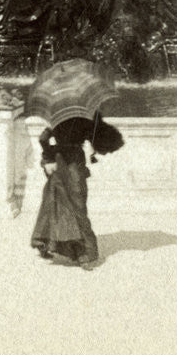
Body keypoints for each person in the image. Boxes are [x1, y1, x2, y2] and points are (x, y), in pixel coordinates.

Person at [30, 113, 123, 269]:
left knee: (55, 203)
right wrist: (93, 144)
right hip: (74, 164)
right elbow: (101, 140)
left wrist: (50, 157)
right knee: (77, 207)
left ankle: (46, 243)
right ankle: (85, 254)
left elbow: (43, 139)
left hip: (60, 161)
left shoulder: (58, 117)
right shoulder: (84, 118)